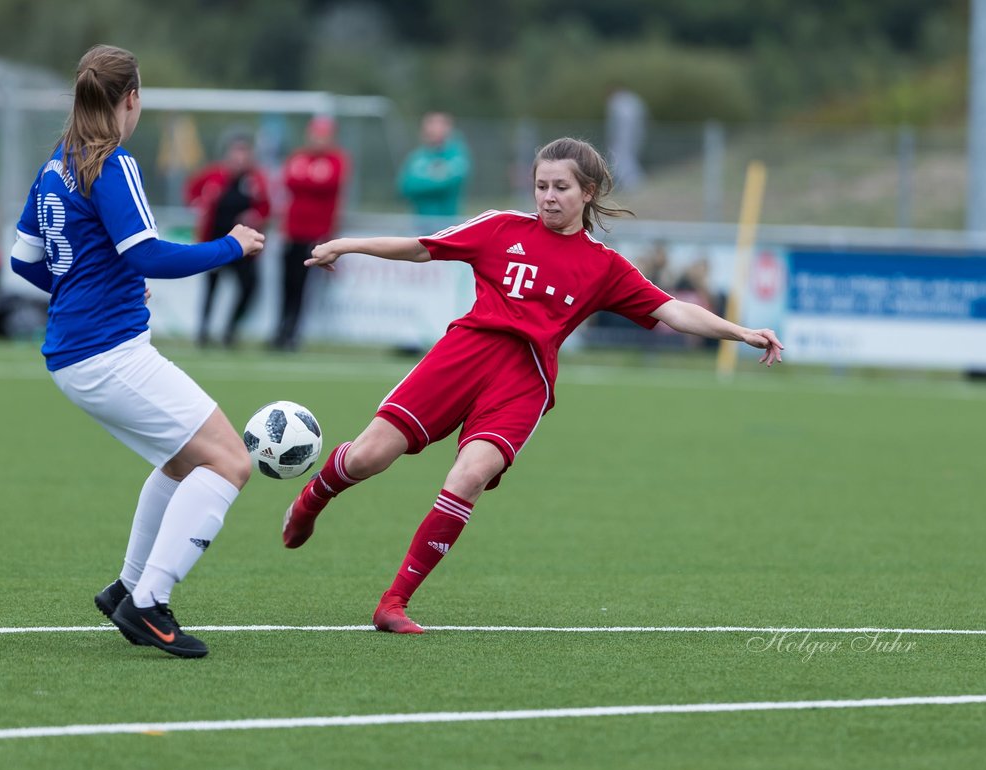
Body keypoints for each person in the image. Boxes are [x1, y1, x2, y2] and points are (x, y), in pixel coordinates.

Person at [282, 137, 782, 634]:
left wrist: (739, 331)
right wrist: (347, 244)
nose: (548, 196)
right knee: (369, 456)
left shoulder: (603, 265)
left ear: (587, 192)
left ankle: (394, 602)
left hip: (523, 381)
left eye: (561, 187)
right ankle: (313, 499)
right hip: (463, 357)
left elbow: (672, 309)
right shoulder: (500, 227)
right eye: (541, 185)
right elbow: (420, 248)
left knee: (469, 475)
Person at [9, 45, 266, 658]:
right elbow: (147, 254)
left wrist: (86, 287)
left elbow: (24, 261)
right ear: (132, 98)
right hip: (109, 353)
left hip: (78, 353)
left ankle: (126, 587)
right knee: (231, 463)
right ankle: (148, 602)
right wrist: (230, 245)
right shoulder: (112, 162)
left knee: (184, 463)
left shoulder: (57, 164)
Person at [185, 132, 271, 347]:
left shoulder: (255, 179)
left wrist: (256, 217)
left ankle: (230, 330)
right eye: (236, 152)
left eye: (244, 152)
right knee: (211, 287)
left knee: (249, 287)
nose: (240, 157)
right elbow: (191, 190)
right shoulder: (214, 175)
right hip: (217, 241)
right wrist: (199, 206)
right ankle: (203, 332)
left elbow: (266, 207)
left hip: (243, 246)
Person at [273, 115, 349, 351]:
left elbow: (327, 184)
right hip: (292, 231)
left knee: (303, 285)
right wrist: (309, 181)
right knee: (286, 284)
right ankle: (279, 330)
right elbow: (289, 180)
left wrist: (305, 180)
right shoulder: (298, 156)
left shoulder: (336, 160)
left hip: (316, 234)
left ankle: (293, 333)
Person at [396, 112, 470, 226]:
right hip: (420, 223)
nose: (432, 131)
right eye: (429, 126)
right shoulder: (417, 156)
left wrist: (421, 183)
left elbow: (450, 182)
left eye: (438, 126)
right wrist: (435, 179)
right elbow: (405, 186)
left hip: (447, 223)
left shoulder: (456, 154)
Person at [605, 85, 647, 191]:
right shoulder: (632, 100)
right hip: (632, 137)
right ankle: (631, 183)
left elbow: (615, 125)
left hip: (623, 138)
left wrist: (613, 138)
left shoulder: (617, 103)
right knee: (625, 159)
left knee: (621, 160)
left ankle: (632, 183)